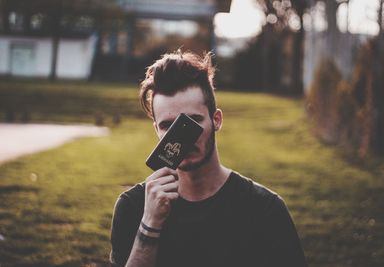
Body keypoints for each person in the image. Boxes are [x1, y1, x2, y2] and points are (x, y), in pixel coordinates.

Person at [110, 51, 307, 267]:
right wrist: (150, 224)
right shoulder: (132, 207)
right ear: (157, 129)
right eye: (168, 125)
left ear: (217, 120)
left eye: (193, 121)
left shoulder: (264, 209)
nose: (183, 137)